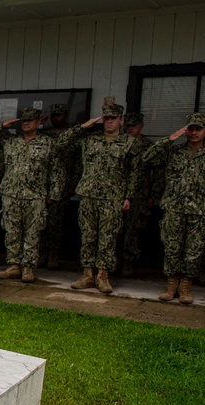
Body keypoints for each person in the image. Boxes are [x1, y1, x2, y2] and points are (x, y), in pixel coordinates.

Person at [57, 103, 142, 294]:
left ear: (121, 120)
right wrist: (82, 127)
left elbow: (135, 172)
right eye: (106, 118)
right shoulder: (89, 140)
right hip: (89, 195)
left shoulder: (130, 143)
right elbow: (62, 143)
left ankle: (103, 276)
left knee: (108, 238)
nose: (109, 121)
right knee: (88, 235)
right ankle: (87, 274)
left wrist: (128, 196)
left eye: (113, 118)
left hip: (113, 197)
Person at [0, 108, 62, 283]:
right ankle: (13, 265)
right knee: (11, 232)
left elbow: (57, 170)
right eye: (23, 120)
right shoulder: (11, 142)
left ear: (39, 122)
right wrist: (4, 125)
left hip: (35, 195)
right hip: (11, 194)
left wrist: (54, 194)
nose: (26, 123)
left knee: (33, 234)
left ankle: (28, 267)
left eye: (30, 120)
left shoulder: (48, 143)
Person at [138, 112, 205, 304]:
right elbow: (147, 158)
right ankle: (171, 285)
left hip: (199, 211)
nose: (193, 133)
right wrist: (168, 140)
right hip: (174, 208)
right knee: (172, 247)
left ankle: (185, 287)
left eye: (198, 129)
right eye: (190, 129)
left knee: (193, 250)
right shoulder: (174, 152)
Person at [116, 112, 157, 277]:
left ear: (141, 126)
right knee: (115, 229)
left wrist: (153, 195)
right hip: (118, 192)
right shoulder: (118, 143)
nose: (129, 128)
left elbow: (157, 172)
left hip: (140, 194)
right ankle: (115, 259)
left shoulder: (149, 146)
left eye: (133, 125)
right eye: (127, 125)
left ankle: (128, 261)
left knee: (133, 230)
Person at [40, 103, 76, 270]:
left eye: (59, 115)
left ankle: (54, 252)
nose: (56, 118)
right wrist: (39, 123)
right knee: (43, 221)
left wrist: (74, 183)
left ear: (65, 116)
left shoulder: (72, 135)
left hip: (63, 184)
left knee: (57, 222)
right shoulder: (45, 134)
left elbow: (78, 161)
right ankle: (42, 251)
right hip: (44, 183)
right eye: (53, 115)